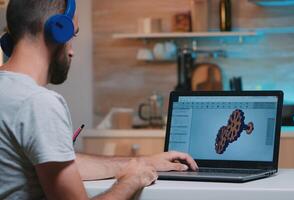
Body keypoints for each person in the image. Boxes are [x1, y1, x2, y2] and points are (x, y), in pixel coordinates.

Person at [0, 0, 198, 199]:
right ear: (57, 30)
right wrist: (130, 180)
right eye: (72, 35)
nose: (72, 50)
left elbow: (59, 162)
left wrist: (144, 161)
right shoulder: (38, 103)